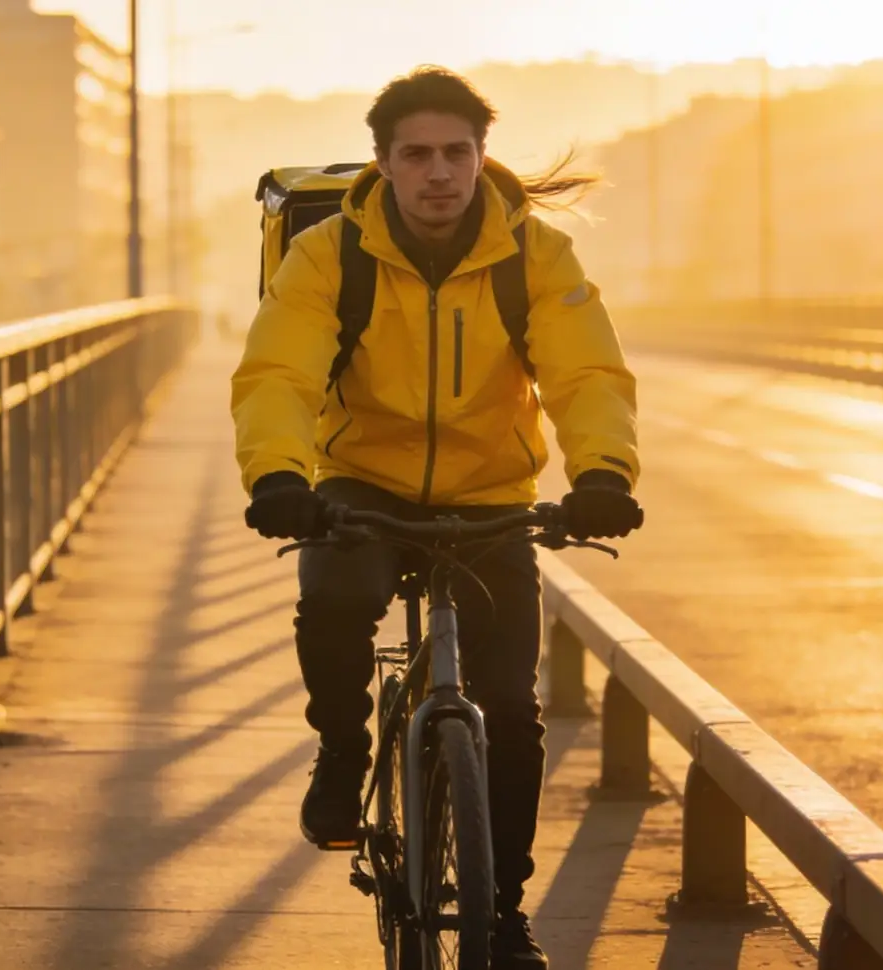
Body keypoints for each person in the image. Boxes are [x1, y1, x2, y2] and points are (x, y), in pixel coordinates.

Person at [230, 65, 643, 968]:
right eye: (416, 155)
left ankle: (500, 914)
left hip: (491, 494)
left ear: (482, 157)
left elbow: (585, 372)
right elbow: (280, 374)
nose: (440, 173)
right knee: (337, 598)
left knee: (509, 711)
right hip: (360, 483)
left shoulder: (536, 255)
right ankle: (343, 750)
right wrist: (277, 479)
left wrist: (604, 472)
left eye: (457, 152)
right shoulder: (328, 256)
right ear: (382, 165)